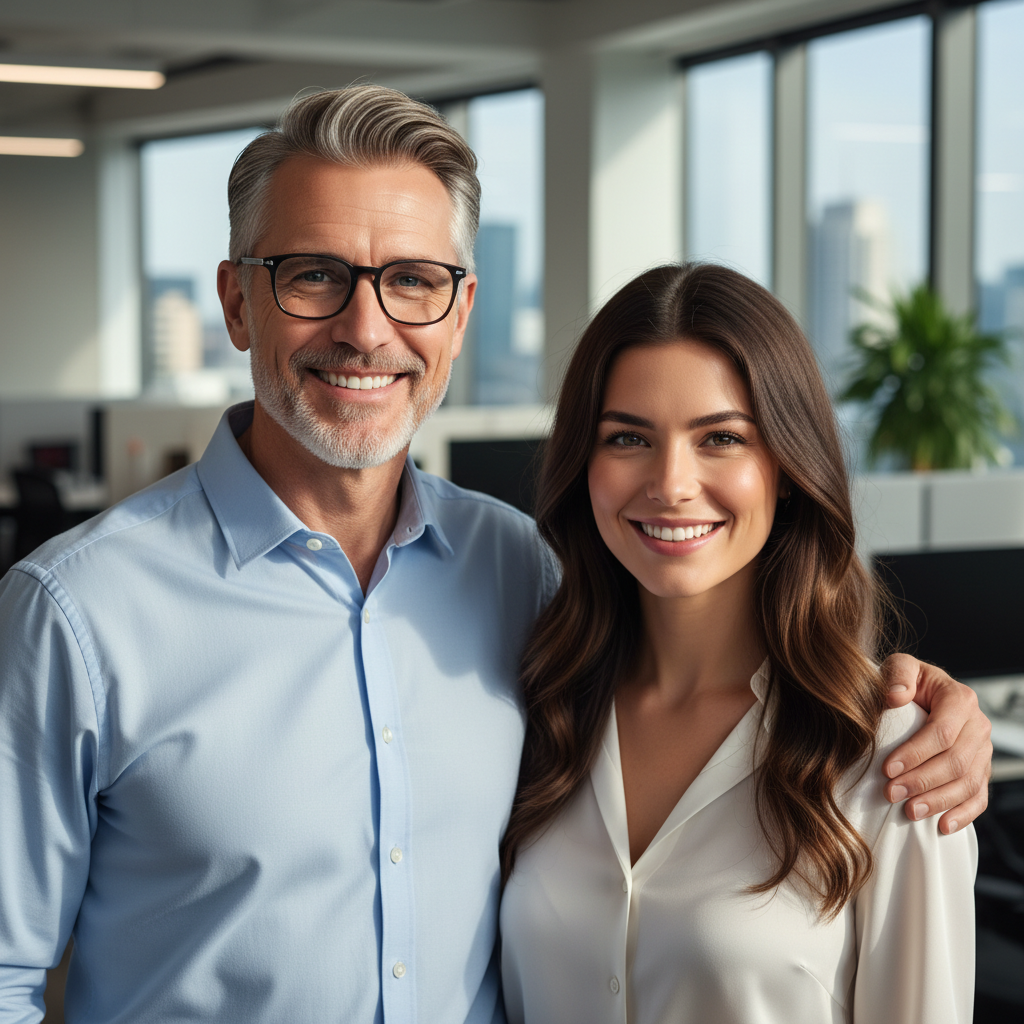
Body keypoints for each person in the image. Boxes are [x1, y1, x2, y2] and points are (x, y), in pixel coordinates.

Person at [0, 89, 987, 1024]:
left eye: (412, 282)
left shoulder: (522, 579)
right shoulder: (77, 614)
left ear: (460, 312)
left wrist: (934, 710)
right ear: (236, 302)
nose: (365, 327)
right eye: (313, 274)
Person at [499, 263, 978, 1024]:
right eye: (628, 437)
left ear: (785, 468)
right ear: (584, 467)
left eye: (720, 438)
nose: (671, 483)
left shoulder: (889, 752)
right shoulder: (535, 714)